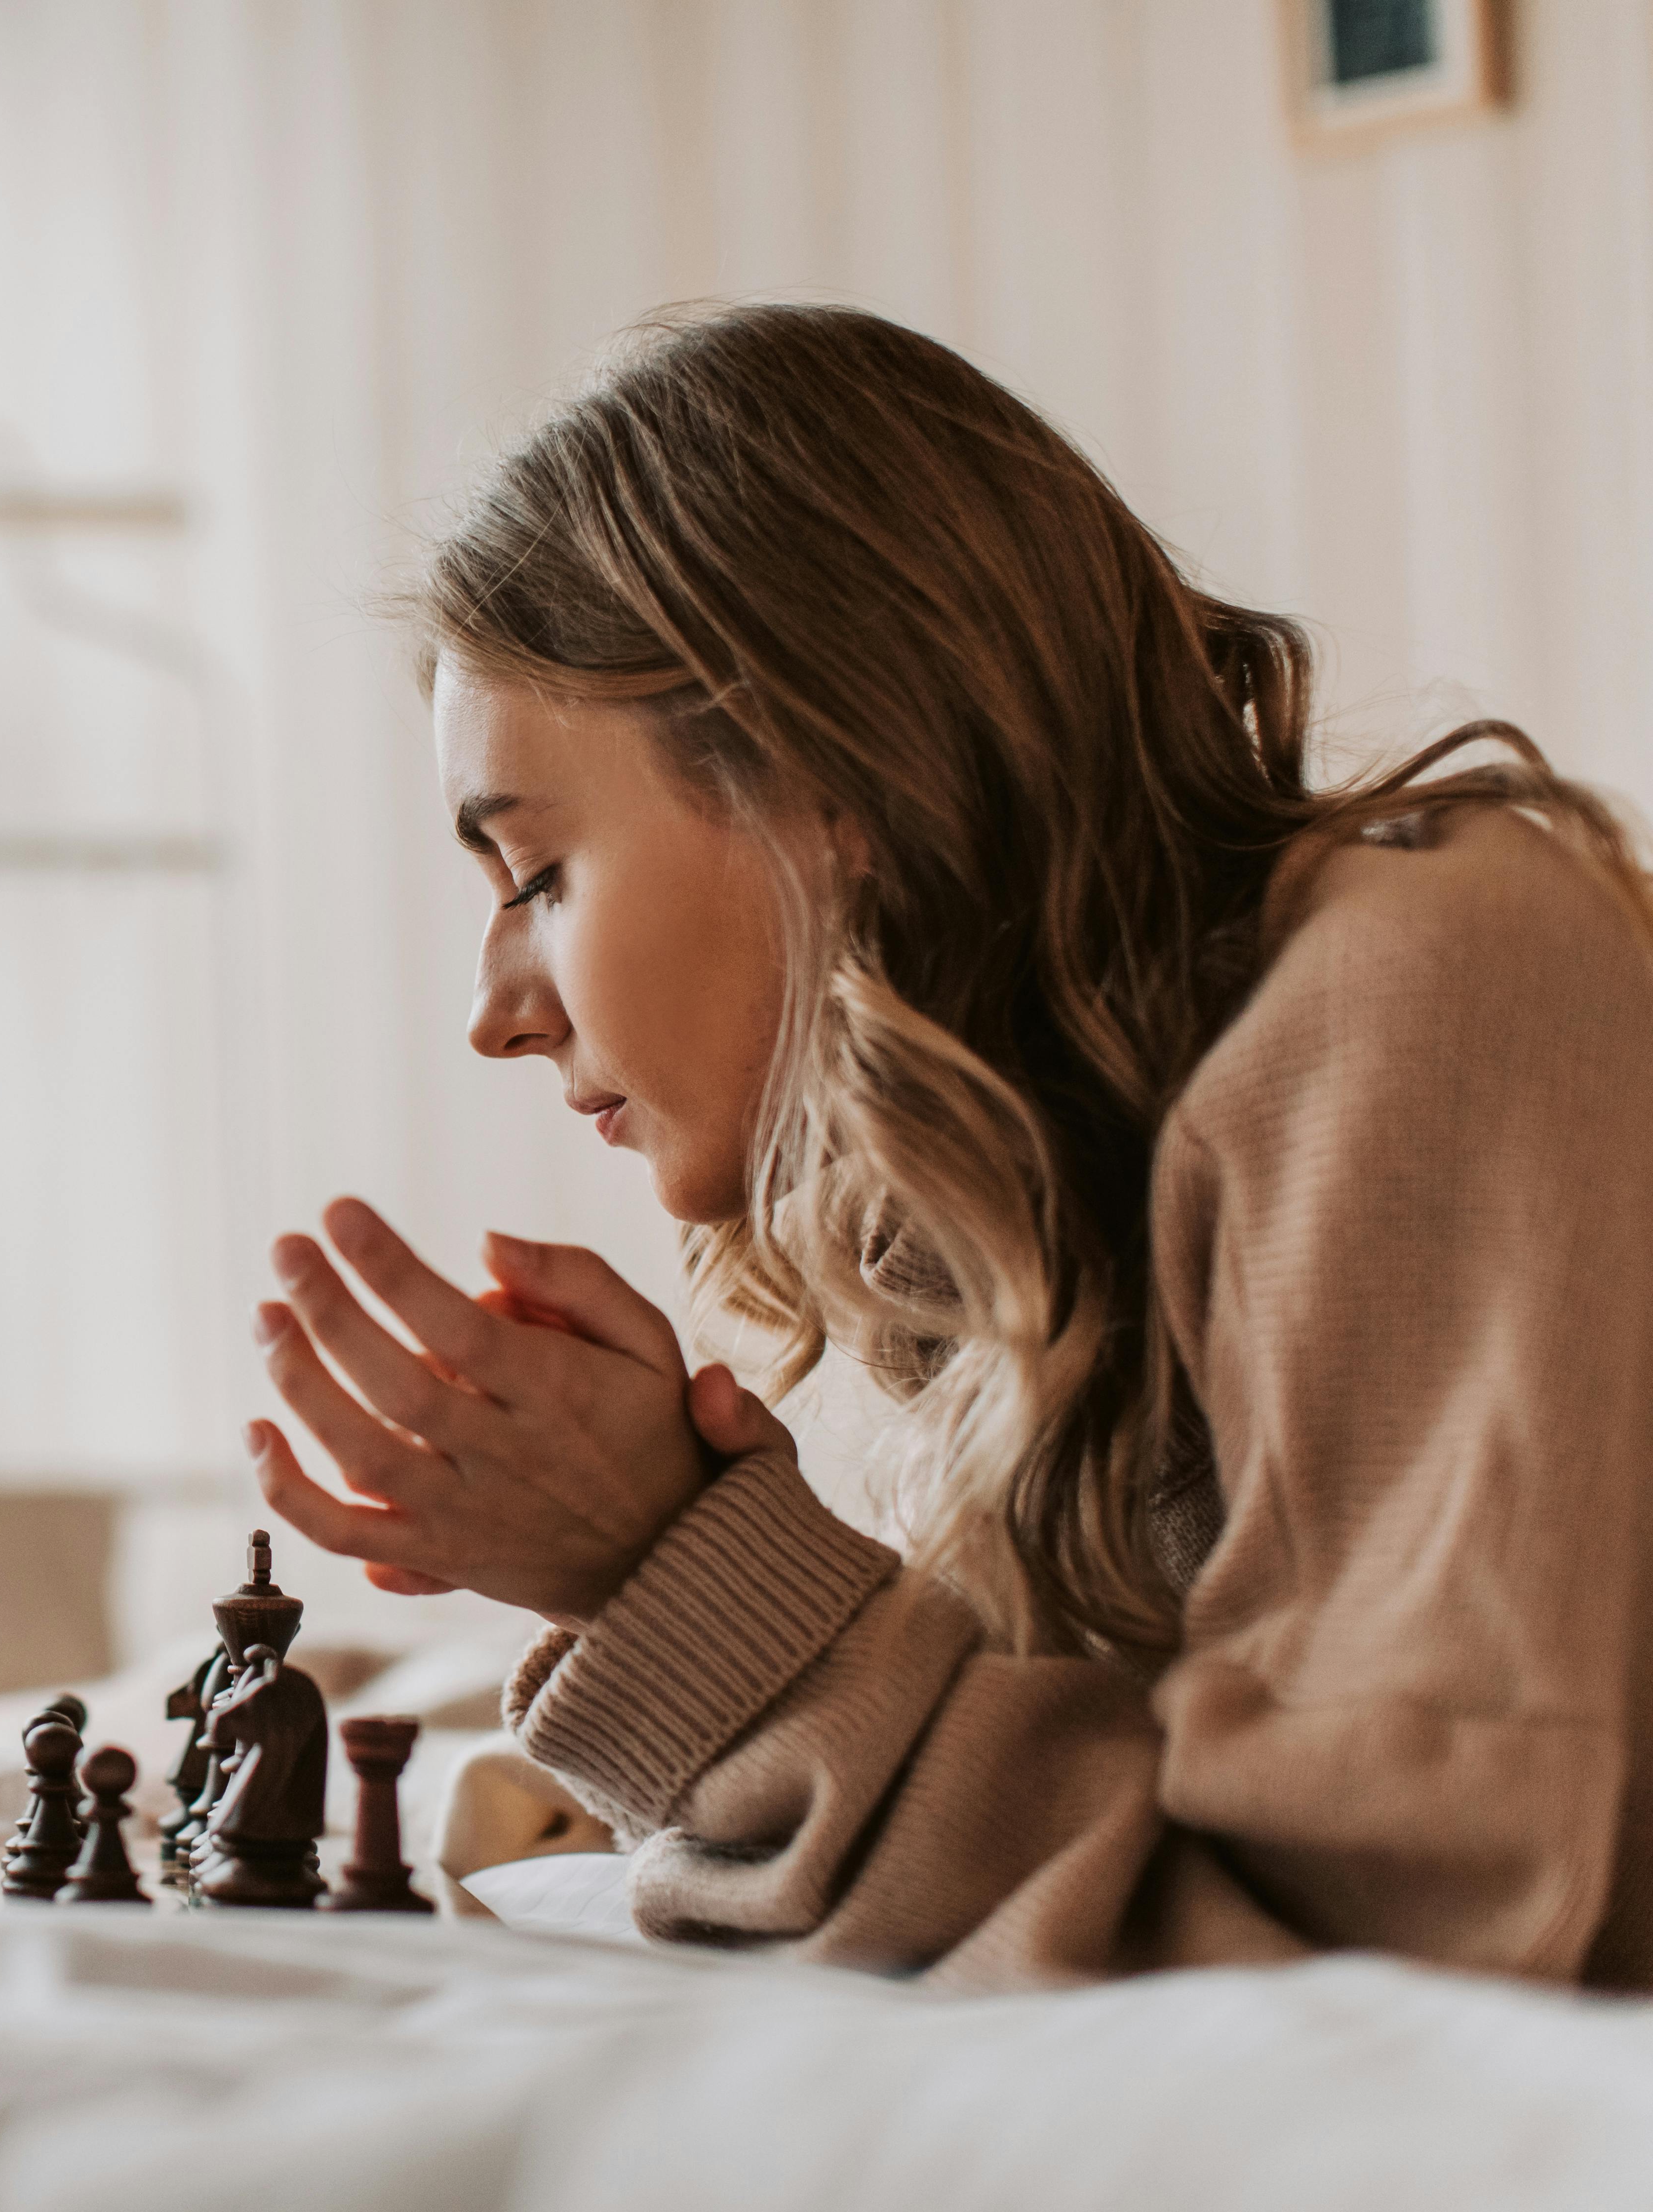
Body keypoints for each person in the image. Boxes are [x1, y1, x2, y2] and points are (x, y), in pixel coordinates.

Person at [246, 300, 1653, 1989]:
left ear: (829, 782)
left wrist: (670, 1568)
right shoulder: (1010, 1220)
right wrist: (651, 1566)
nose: (499, 1012)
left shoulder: (1439, 974)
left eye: (535, 874)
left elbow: (1372, 1987)